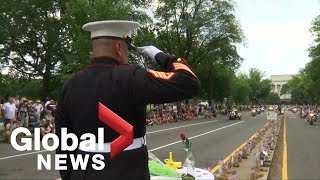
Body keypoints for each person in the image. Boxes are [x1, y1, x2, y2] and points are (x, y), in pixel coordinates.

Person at [55, 20, 200, 180]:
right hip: (128, 171)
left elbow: (64, 142)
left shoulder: (71, 84)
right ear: (118, 48)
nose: (128, 54)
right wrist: (161, 56)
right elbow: (189, 81)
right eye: (127, 48)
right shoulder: (131, 76)